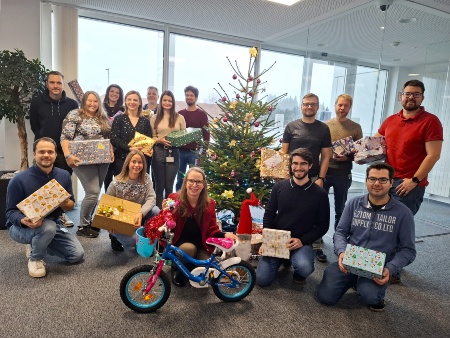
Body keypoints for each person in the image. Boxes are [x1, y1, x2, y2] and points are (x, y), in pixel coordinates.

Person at [316, 162, 416, 312]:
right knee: (325, 297)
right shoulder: (354, 204)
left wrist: (390, 268)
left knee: (371, 297)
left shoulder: (403, 213)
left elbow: (408, 250)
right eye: (372, 179)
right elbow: (341, 232)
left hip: (378, 268)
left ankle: (366, 287)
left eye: (383, 180)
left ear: (391, 183)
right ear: (366, 181)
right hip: (350, 261)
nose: (377, 183)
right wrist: (342, 252)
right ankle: (355, 281)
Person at [5, 137, 84, 278]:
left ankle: (39, 241)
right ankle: (35, 258)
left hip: (53, 224)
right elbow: (10, 212)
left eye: (50, 152)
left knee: (76, 256)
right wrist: (24, 221)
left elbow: (71, 204)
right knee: (48, 227)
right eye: (42, 152)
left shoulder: (64, 175)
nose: (46, 155)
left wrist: (66, 204)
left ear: (55, 155)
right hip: (20, 227)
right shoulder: (18, 180)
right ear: (34, 154)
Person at [255, 148, 330, 287]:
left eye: (303, 164)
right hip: (277, 239)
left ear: (310, 166)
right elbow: (269, 214)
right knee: (262, 280)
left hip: (300, 242)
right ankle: (285, 260)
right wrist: (267, 240)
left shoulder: (320, 194)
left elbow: (323, 225)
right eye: (295, 163)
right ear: (290, 165)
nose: (298, 167)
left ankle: (297, 270)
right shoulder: (279, 187)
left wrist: (302, 240)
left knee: (304, 267)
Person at [375, 80, 443, 216]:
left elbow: (434, 154)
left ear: (422, 98)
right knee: (381, 224)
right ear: (401, 96)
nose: (411, 97)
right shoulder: (391, 120)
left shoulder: (430, 121)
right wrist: (351, 153)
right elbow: (373, 144)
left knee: (398, 226)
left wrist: (414, 181)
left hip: (407, 185)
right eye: (408, 94)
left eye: (416, 94)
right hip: (386, 180)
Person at [281, 93, 332, 262]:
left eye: (313, 104)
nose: (309, 107)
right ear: (301, 106)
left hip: (314, 176)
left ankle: (314, 246)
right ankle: (286, 246)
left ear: (317, 107)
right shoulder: (291, 126)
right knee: (291, 211)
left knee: (314, 213)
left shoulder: (323, 129)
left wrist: (321, 178)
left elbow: (326, 156)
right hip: (292, 177)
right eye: (306, 104)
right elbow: (284, 153)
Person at [166, 167, 238, 286]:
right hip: (181, 242)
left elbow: (211, 228)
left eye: (198, 182)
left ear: (204, 184)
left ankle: (190, 265)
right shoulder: (173, 199)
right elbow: (165, 221)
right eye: (191, 181)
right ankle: (178, 267)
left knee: (206, 267)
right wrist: (165, 211)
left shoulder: (209, 204)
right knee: (188, 250)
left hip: (201, 243)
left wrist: (224, 234)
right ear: (186, 182)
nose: (194, 185)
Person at [29, 70, 79, 228]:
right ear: (47, 84)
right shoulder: (37, 102)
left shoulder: (72, 104)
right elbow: (34, 125)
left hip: (65, 151)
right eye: (52, 82)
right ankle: (42, 215)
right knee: (41, 183)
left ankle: (60, 215)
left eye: (59, 83)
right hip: (44, 150)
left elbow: (75, 128)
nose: (55, 86)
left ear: (63, 85)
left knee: (61, 184)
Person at [61, 91, 113, 238]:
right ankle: (83, 226)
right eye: (89, 101)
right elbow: (65, 136)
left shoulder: (102, 116)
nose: (92, 104)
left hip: (102, 159)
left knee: (95, 193)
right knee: (93, 192)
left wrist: (110, 151)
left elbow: (107, 137)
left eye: (95, 101)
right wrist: (68, 155)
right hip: (81, 159)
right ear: (84, 101)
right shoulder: (75, 115)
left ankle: (89, 221)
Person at [106, 150, 159, 252]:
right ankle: (115, 237)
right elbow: (106, 205)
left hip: (140, 215)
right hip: (122, 219)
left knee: (156, 210)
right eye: (133, 161)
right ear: (127, 163)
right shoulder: (116, 182)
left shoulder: (146, 178)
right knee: (135, 242)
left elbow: (151, 198)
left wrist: (141, 213)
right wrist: (111, 223)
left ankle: (145, 234)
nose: (136, 165)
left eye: (140, 162)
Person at [324, 94, 363, 229]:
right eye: (340, 105)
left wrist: (347, 158)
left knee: (340, 208)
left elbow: (360, 152)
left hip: (343, 172)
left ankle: (339, 238)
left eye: (346, 105)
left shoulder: (355, 127)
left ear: (350, 107)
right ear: (335, 105)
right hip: (324, 171)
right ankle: (318, 236)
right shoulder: (325, 126)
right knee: (320, 206)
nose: (342, 108)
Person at [150, 90, 186, 208]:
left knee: (169, 186)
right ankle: (159, 213)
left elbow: (184, 136)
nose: (167, 103)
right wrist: (159, 139)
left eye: (170, 101)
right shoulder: (154, 118)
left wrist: (178, 141)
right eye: (164, 100)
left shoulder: (179, 118)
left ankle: (170, 213)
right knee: (159, 186)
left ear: (173, 102)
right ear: (161, 102)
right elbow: (151, 138)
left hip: (173, 152)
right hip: (158, 152)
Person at [175, 85, 210, 190]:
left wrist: (204, 151)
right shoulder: (180, 114)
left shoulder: (201, 115)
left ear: (196, 98)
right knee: (180, 179)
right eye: (187, 95)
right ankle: (177, 202)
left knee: (195, 179)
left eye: (191, 95)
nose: (189, 97)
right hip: (180, 151)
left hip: (194, 152)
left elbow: (206, 133)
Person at [110, 90, 152, 175]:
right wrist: (129, 148)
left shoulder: (145, 121)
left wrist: (149, 149)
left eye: (135, 100)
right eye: (129, 99)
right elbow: (114, 139)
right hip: (122, 160)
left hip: (139, 162)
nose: (132, 102)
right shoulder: (119, 119)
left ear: (139, 102)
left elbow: (149, 139)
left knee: (139, 187)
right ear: (125, 101)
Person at [102, 84, 125, 191]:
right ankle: (107, 203)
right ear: (108, 92)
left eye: (117, 93)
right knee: (106, 178)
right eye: (112, 91)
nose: (114, 94)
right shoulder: (101, 108)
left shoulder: (123, 110)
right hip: (103, 147)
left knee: (119, 177)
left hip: (119, 148)